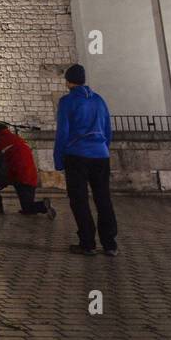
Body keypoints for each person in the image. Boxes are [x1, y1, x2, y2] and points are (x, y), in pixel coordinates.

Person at [54, 64, 117, 256]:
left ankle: (87, 242)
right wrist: (103, 148)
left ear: (68, 81)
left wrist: (59, 159)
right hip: (100, 155)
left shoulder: (67, 101)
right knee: (103, 198)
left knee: (79, 200)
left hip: (77, 155)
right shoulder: (99, 100)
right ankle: (110, 244)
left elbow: (63, 132)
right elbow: (107, 129)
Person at [0, 121, 55, 218]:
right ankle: (43, 206)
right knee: (27, 208)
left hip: (16, 175)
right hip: (30, 176)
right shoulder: (19, 139)